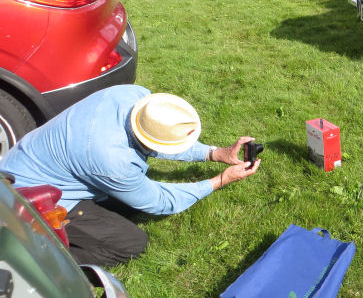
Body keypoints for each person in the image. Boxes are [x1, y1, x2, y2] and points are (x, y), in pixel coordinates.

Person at [0, 85, 261, 266]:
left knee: (126, 205)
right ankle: (42, 261)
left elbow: (153, 139)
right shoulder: (111, 160)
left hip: (25, 163)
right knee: (130, 243)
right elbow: (160, 202)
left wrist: (217, 154)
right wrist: (221, 180)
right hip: (28, 199)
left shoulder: (133, 97)